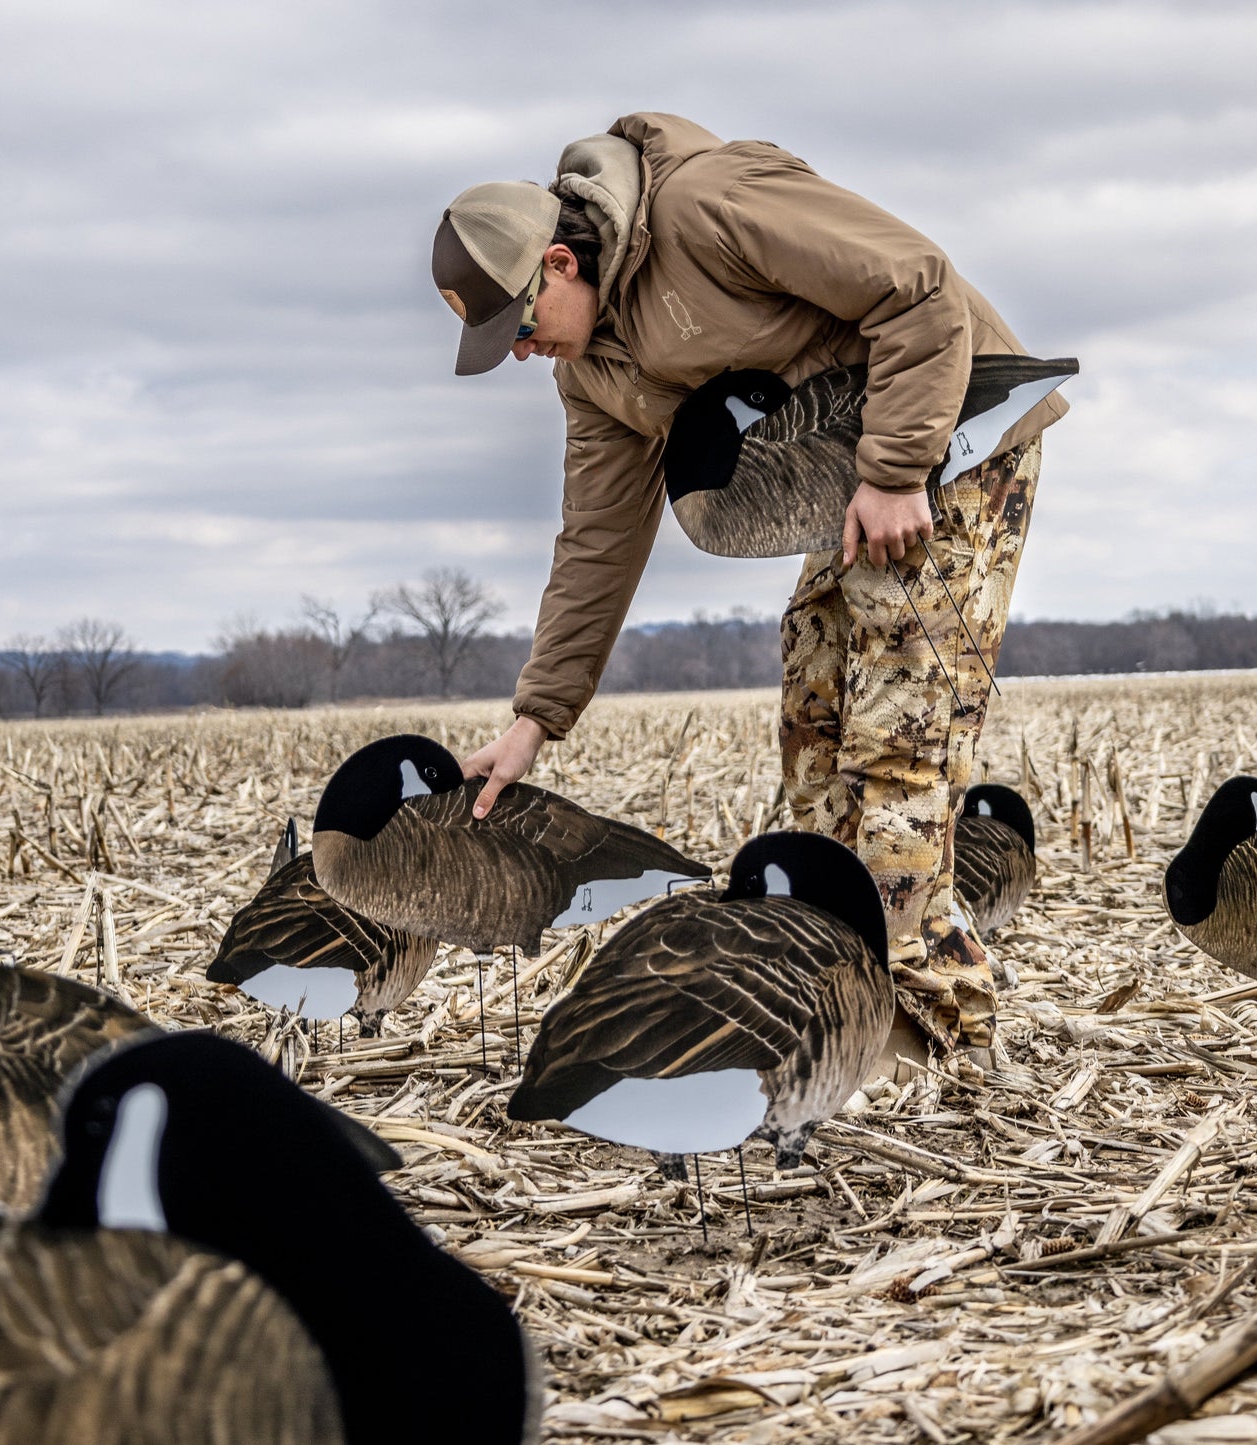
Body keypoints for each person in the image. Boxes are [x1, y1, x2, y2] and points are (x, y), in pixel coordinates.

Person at [430, 113, 1067, 1058]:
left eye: (518, 324)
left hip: (951, 439)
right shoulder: (591, 372)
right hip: (845, 477)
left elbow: (918, 287)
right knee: (814, 725)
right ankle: (847, 999)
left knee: (896, 744)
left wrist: (894, 471)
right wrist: (537, 716)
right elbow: (597, 541)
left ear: (559, 263)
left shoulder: (708, 204)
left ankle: (942, 1036)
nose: (521, 350)